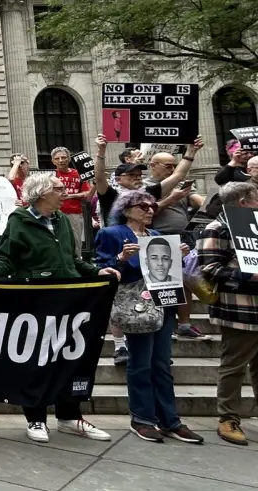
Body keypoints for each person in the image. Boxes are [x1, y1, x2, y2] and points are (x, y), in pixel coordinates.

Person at [0, 173, 118, 444]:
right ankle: (36, 418)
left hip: (70, 300)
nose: (65, 190)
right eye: (58, 188)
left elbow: (73, 260)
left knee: (69, 359)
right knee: (35, 361)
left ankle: (69, 416)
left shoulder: (63, 220)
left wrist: (97, 270)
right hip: (36, 301)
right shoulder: (19, 220)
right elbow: (6, 257)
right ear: (42, 194)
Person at [94, 189, 202, 444]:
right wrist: (121, 258)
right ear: (126, 209)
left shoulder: (157, 235)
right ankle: (142, 418)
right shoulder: (111, 234)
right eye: (143, 206)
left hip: (163, 302)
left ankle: (170, 420)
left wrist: (180, 257)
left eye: (152, 206)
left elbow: (165, 271)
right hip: (136, 304)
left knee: (162, 364)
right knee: (141, 363)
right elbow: (101, 267)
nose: (150, 210)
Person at [93, 133, 204, 362]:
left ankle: (159, 347)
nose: (137, 177)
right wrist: (101, 152)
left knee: (152, 295)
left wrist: (191, 153)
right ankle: (120, 346)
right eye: (131, 174)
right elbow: (99, 178)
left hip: (147, 248)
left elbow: (176, 177)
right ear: (119, 178)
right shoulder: (110, 195)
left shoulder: (147, 193)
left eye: (139, 174)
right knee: (120, 297)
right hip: (118, 246)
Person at [196, 181, 258, 446]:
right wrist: (248, 275)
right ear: (243, 201)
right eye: (256, 196)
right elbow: (209, 268)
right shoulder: (217, 227)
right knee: (234, 365)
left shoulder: (253, 224)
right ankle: (228, 418)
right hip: (238, 308)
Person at [50, 146, 92, 247]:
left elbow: (87, 193)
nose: (60, 161)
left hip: (74, 214)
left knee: (75, 243)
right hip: (53, 213)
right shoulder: (50, 175)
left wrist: (70, 196)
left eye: (63, 157)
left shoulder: (78, 174)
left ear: (69, 159)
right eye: (57, 158)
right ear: (53, 161)